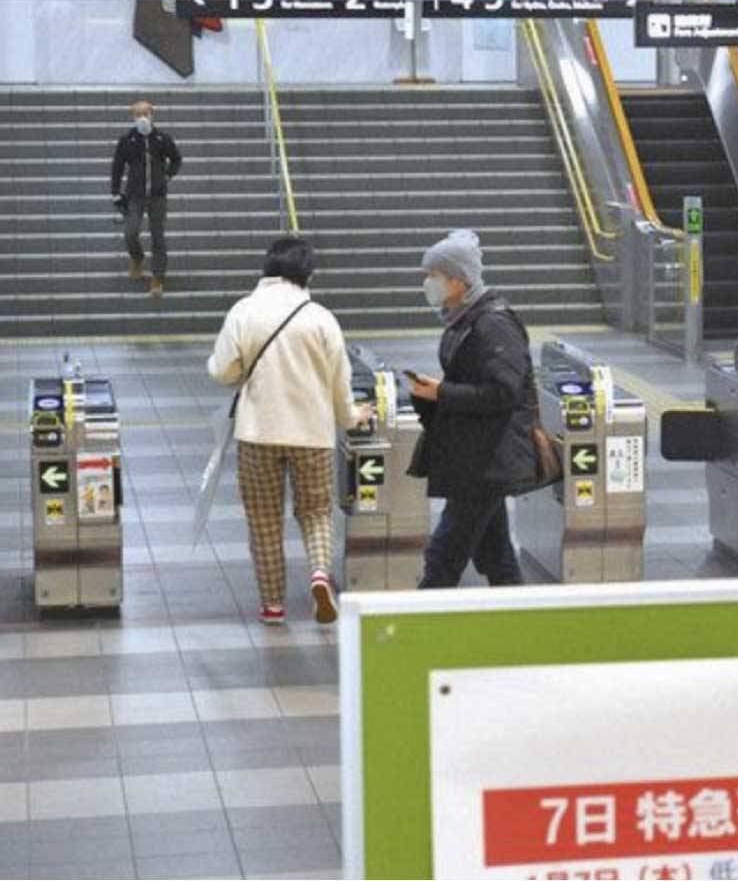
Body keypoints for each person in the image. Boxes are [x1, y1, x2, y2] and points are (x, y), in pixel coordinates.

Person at [207, 237, 370, 625]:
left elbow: (222, 371)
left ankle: (272, 605)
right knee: (316, 512)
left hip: (257, 433)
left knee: (264, 520)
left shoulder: (244, 311)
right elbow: (339, 382)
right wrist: (351, 417)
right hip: (312, 434)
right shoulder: (321, 318)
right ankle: (319, 574)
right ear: (307, 273)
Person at [407, 229, 536, 589]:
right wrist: (435, 393)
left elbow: (504, 391)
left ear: (457, 279)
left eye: (433, 275)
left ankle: (420, 618)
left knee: (444, 555)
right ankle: (519, 614)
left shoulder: (493, 323)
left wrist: (442, 393)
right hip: (476, 456)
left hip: (488, 458)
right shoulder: (464, 318)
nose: (427, 282)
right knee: (496, 556)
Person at [110, 100, 182, 300]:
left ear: (152, 114)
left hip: (157, 196)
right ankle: (137, 258)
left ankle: (158, 278)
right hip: (134, 195)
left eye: (145, 114)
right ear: (132, 117)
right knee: (130, 232)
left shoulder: (162, 138)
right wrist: (115, 192)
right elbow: (117, 167)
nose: (142, 118)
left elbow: (176, 159)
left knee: (158, 236)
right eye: (138, 114)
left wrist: (167, 175)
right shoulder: (127, 140)